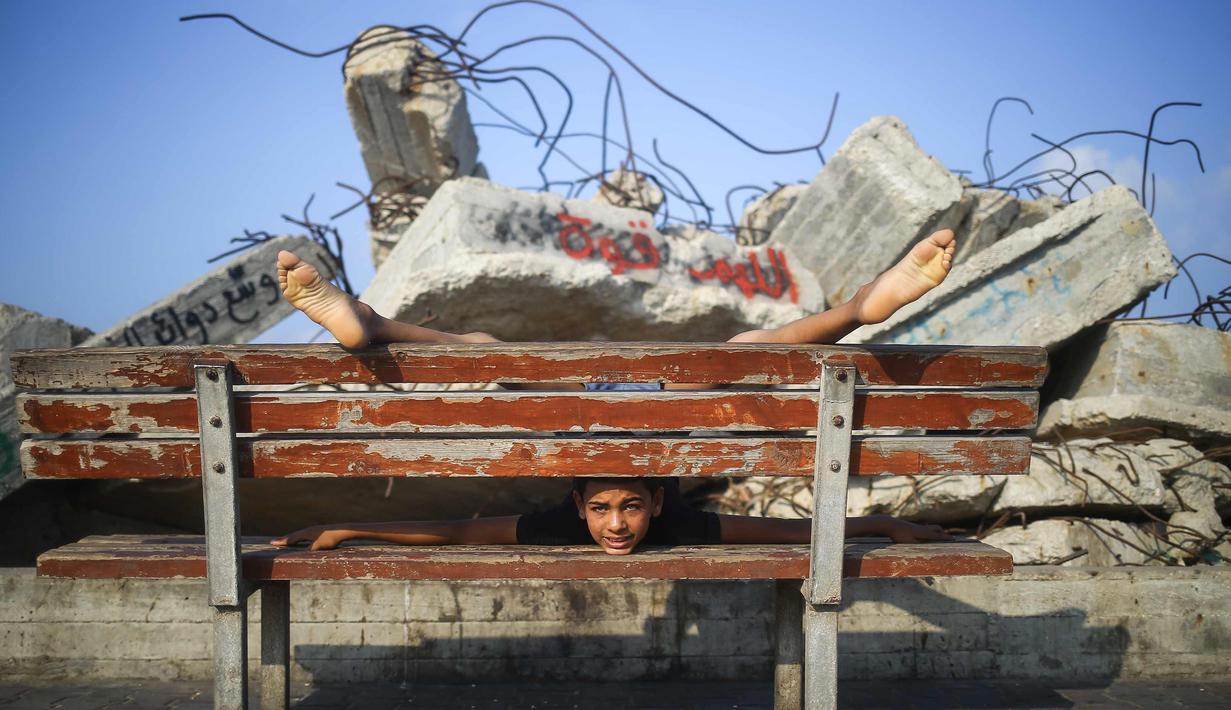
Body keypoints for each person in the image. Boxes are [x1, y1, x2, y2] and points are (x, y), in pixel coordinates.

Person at [271, 229, 960, 555]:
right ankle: (857, 308)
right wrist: (884, 525)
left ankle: (371, 321)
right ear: (581, 501)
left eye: (623, 507)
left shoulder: (571, 522)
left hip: (597, 402)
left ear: (654, 499)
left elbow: (455, 530)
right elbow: (796, 530)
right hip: (650, 398)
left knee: (488, 358)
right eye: (605, 508)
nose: (617, 523)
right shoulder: (677, 522)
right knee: (732, 360)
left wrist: (349, 526)